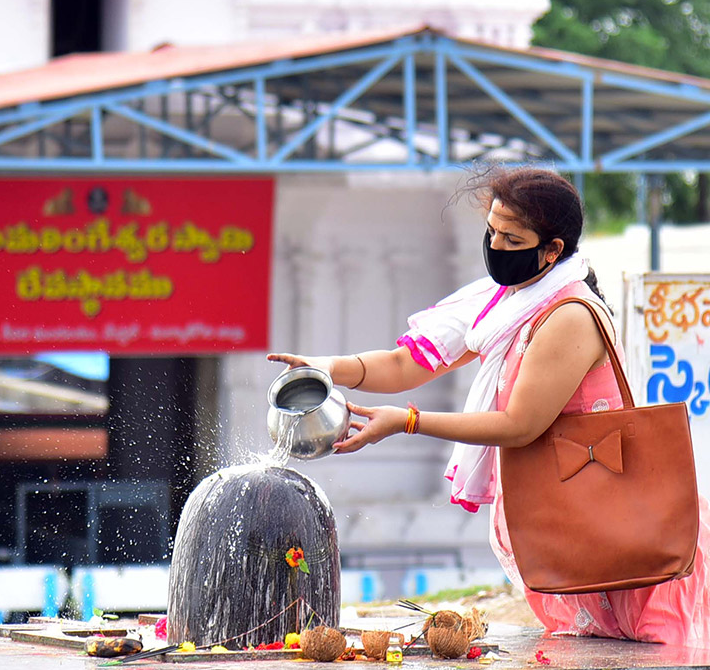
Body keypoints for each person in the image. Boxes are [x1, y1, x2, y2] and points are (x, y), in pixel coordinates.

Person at [268, 166, 710, 645]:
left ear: (552, 250)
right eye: (492, 231)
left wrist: (409, 422)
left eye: (512, 238)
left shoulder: (568, 315)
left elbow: (519, 425)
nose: (496, 246)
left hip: (622, 527)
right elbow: (403, 364)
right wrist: (325, 368)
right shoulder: (502, 304)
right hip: (572, 523)